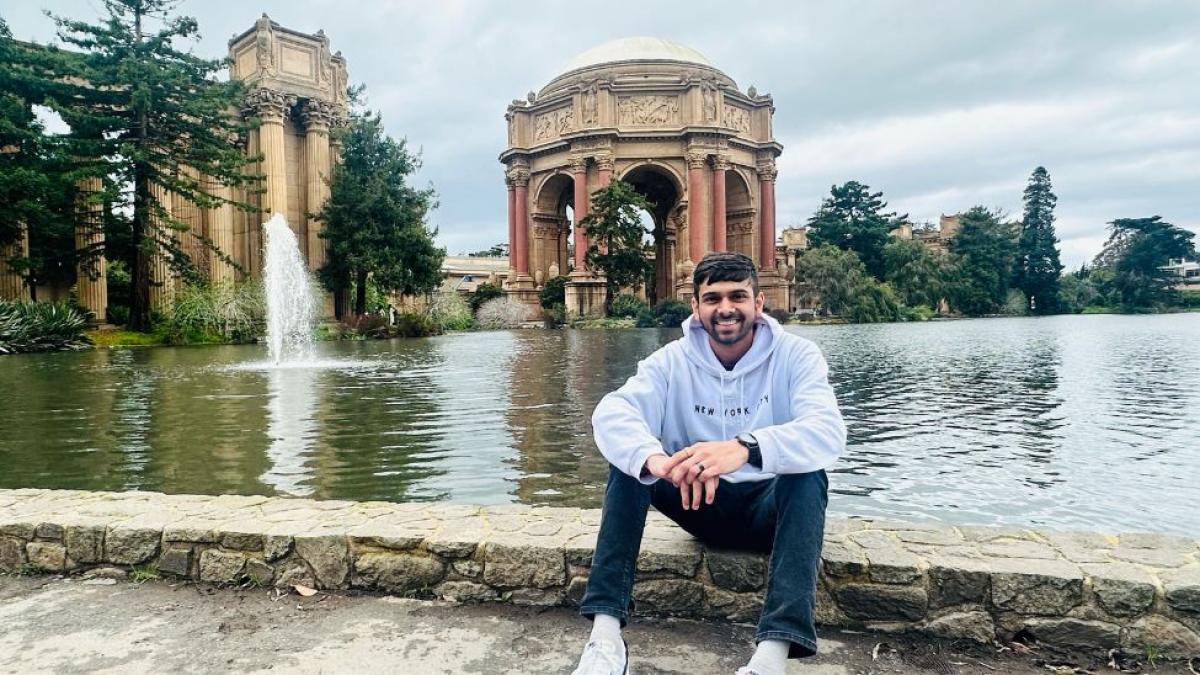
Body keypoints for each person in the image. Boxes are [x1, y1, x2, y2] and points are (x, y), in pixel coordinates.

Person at [572, 252, 846, 675]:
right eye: (713, 298)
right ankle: (605, 639)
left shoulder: (797, 355)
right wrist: (658, 461)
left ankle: (772, 656)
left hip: (767, 510)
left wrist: (746, 448)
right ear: (696, 308)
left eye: (738, 296)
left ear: (759, 303)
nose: (726, 308)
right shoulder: (670, 360)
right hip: (695, 501)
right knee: (627, 465)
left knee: (808, 474)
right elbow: (613, 412)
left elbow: (827, 430)